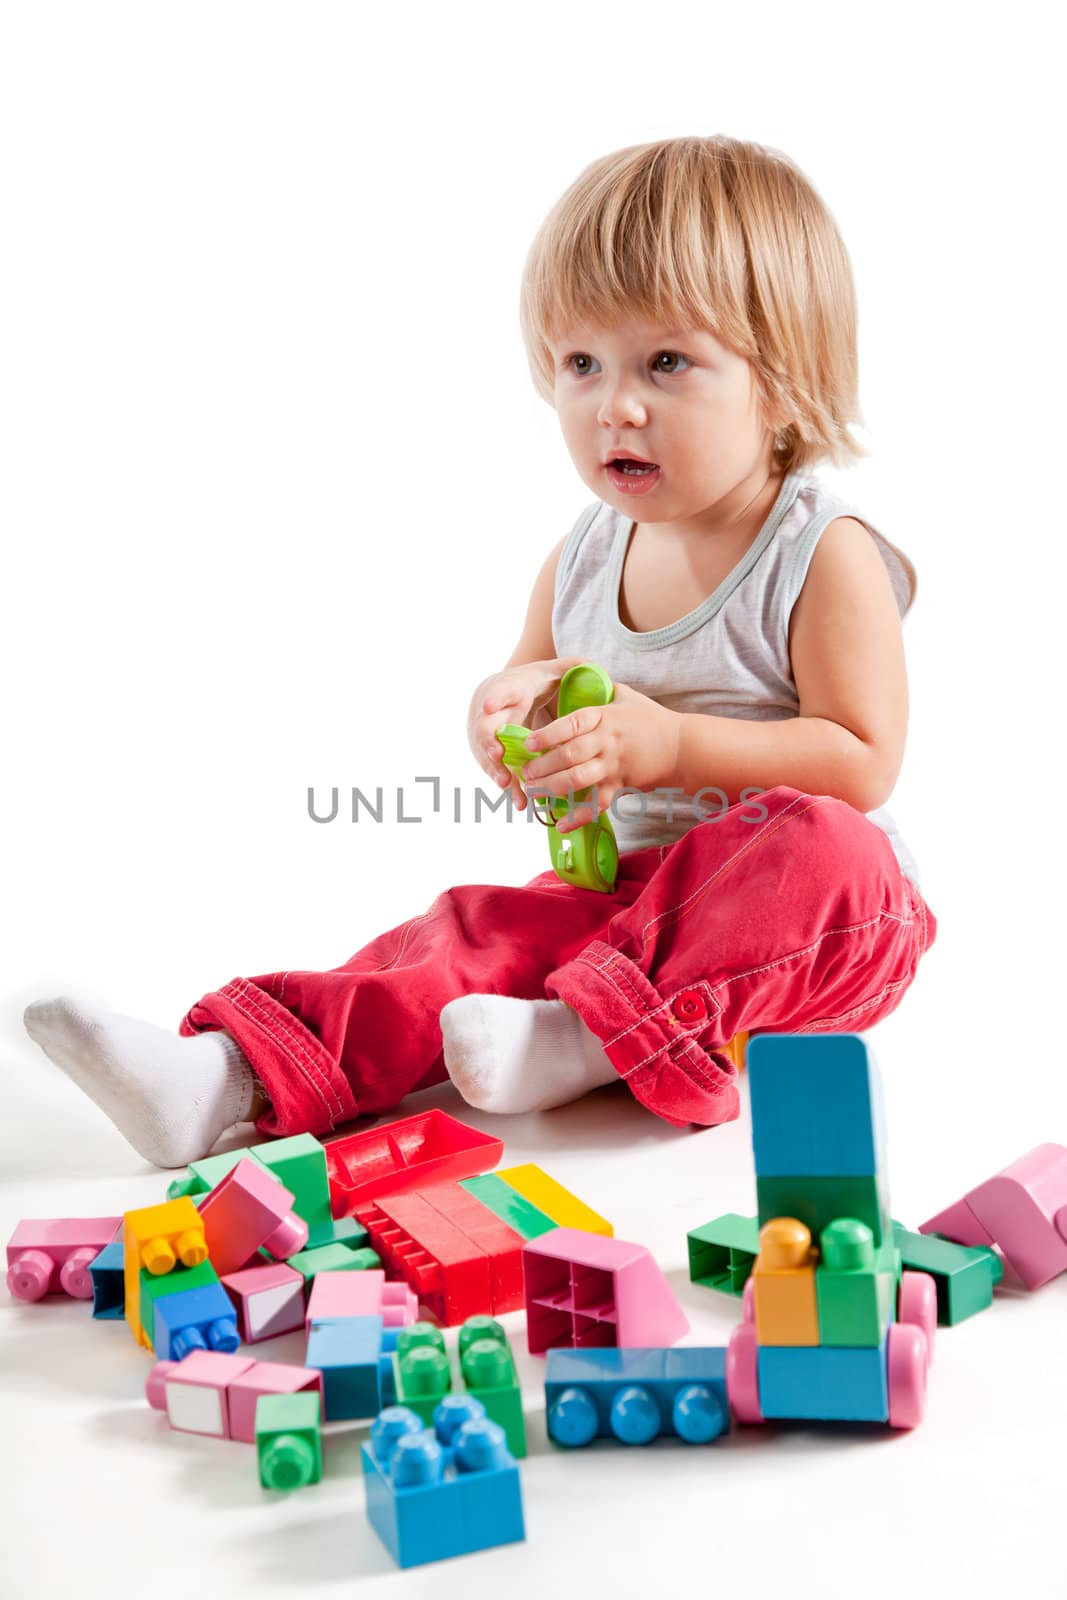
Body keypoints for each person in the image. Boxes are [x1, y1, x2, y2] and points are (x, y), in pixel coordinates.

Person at [24, 134, 938, 1169]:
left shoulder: (819, 553)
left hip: (815, 935)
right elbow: (531, 696)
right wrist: (504, 725)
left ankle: (585, 1034)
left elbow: (860, 761)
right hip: (624, 903)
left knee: (830, 852)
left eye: (665, 363)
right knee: (465, 932)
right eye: (580, 363)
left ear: (781, 381)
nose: (613, 404)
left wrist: (672, 747)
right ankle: (232, 1077)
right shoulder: (584, 557)